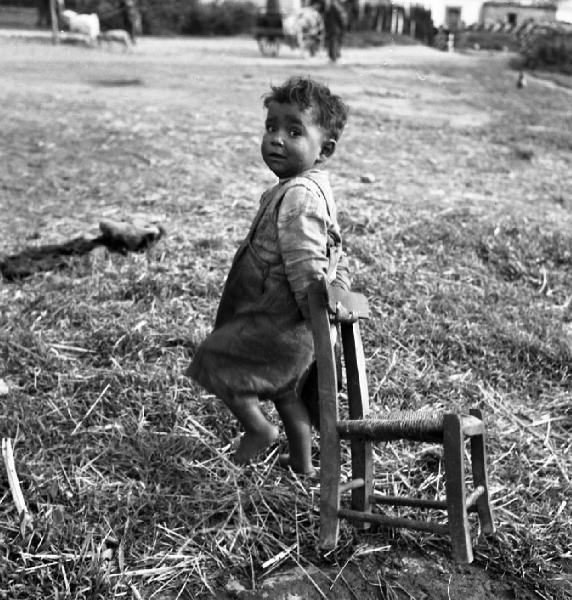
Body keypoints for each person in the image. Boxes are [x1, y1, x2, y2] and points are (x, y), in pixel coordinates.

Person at [187, 76, 350, 475]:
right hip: (297, 330)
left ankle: (258, 430)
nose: (277, 139)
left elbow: (307, 266)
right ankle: (302, 466)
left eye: (295, 131)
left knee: (215, 359)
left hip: (283, 323)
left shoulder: (299, 196)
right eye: (271, 127)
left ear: (323, 150)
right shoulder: (303, 187)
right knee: (285, 393)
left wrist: (312, 322)